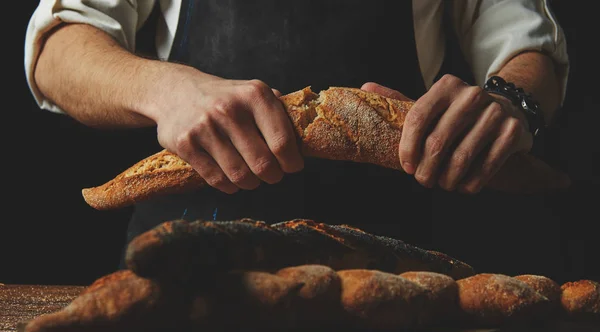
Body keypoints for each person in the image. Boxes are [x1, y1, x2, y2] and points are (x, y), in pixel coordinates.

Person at [24, 0, 569, 272]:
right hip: (187, 267)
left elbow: (527, 42)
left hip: (390, 270)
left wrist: (510, 100)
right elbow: (58, 48)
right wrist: (165, 88)